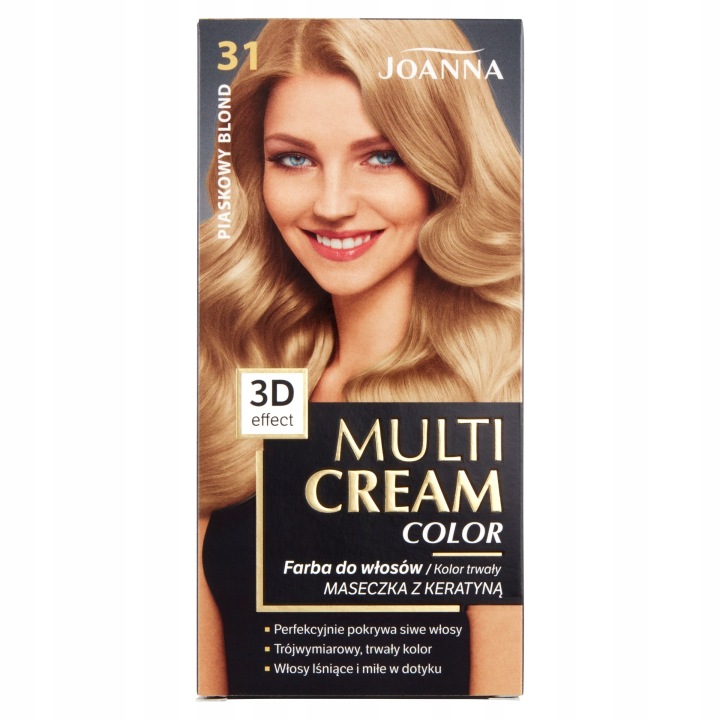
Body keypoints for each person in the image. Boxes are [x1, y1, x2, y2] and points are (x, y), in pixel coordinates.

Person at [198, 18, 522, 697]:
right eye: (294, 159)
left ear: (448, 164)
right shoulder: (247, 380)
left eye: (382, 157)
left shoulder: (504, 392)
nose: (332, 204)